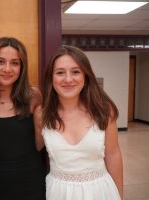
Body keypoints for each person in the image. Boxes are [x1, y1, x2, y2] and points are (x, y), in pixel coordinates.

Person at [42, 45, 123, 200]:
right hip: (59, 193)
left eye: (75, 72)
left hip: (100, 191)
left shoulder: (104, 110)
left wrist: (119, 196)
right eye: (60, 73)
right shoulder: (42, 114)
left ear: (85, 76)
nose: (68, 79)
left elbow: (113, 155)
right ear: (51, 78)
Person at [0, 37, 46, 200]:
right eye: (0, 62)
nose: (7, 69)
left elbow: (39, 145)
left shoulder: (33, 97)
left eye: (15, 63)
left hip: (31, 180)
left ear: (22, 67)